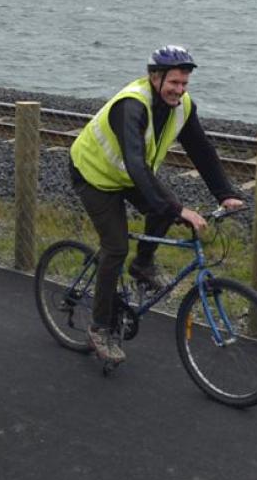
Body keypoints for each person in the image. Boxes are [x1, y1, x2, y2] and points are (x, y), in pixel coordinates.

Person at [69, 45, 243, 364]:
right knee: (116, 246)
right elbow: (136, 164)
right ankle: (99, 328)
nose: (179, 90)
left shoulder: (182, 106)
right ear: (154, 77)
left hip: (129, 175)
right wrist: (177, 210)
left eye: (184, 83)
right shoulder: (131, 105)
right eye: (174, 82)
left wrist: (225, 193)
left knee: (166, 207)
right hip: (94, 176)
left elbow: (201, 150)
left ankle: (142, 265)